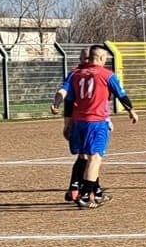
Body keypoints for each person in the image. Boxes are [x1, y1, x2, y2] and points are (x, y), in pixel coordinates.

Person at [55, 44, 138, 209]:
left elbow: (68, 99)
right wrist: (131, 110)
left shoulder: (75, 75)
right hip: (96, 122)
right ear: (100, 58)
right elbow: (121, 95)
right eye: (105, 58)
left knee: (84, 157)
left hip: (78, 122)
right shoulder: (107, 75)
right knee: (95, 158)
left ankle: (91, 191)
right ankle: (86, 194)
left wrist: (63, 117)